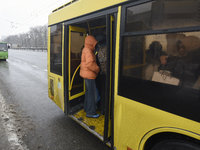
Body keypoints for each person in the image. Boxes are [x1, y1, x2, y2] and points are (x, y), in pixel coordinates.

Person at [80, 35, 100, 118]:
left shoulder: (85, 49)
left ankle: (86, 108)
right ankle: (91, 112)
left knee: (88, 93)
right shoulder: (88, 51)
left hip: (86, 75)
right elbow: (89, 64)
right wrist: (97, 69)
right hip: (90, 76)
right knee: (92, 94)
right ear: (91, 43)